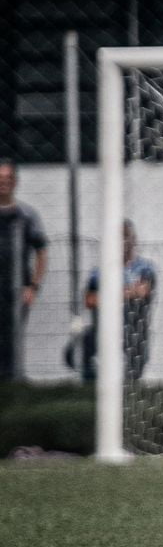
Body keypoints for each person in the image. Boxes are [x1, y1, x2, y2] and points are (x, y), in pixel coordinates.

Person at [80, 220, 156, 382]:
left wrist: (107, 295)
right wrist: (128, 291)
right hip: (104, 328)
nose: (122, 241)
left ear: (133, 239)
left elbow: (143, 291)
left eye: (125, 236)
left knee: (132, 371)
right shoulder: (99, 272)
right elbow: (90, 300)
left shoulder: (144, 267)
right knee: (87, 342)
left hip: (134, 328)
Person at [0, 158, 48, 381]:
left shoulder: (26, 216)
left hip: (17, 289)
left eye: (8, 178)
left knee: (12, 338)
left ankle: (12, 382)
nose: (4, 183)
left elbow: (41, 252)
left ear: (15, 182)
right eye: (0, 179)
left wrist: (33, 286)